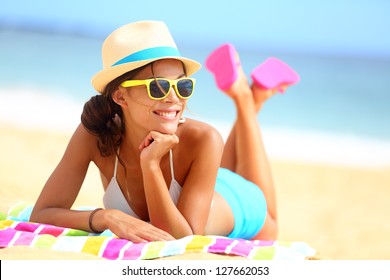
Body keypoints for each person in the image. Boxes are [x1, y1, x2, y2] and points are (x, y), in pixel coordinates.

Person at [30, 20, 279, 243]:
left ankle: (246, 100)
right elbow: (41, 214)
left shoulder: (205, 138)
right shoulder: (96, 134)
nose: (174, 98)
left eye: (182, 85)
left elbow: (180, 239)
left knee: (271, 221)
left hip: (240, 203)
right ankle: (250, 96)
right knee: (225, 170)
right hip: (204, 185)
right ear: (120, 96)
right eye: (158, 87)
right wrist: (107, 217)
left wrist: (150, 164)